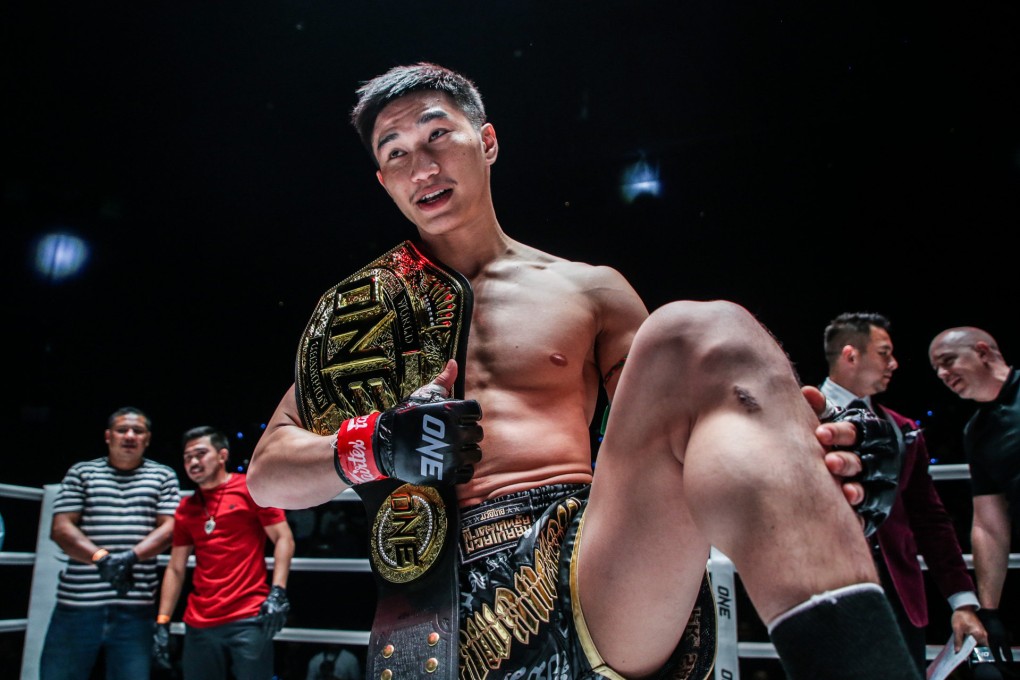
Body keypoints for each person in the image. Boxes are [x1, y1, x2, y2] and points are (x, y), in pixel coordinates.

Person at [247, 62, 921, 679]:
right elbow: (269, 473)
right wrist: (376, 444)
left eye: (437, 136)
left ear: (487, 141)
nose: (421, 166)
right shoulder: (364, 318)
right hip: (441, 605)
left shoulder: (588, 289)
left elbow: (691, 422)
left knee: (705, 333)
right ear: (382, 180)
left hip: (599, 568)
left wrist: (824, 447)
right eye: (395, 153)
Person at [821, 312, 986, 672]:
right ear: (851, 355)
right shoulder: (798, 421)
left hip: (897, 597)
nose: (894, 364)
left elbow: (930, 517)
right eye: (884, 353)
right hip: (823, 596)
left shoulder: (902, 429)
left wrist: (961, 600)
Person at [39, 406, 181, 680]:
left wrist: (129, 557)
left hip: (136, 606)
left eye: (137, 431)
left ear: (147, 438)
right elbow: (61, 528)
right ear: (108, 436)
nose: (129, 436)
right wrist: (101, 558)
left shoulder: (162, 476)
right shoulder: (82, 472)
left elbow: (170, 529)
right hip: (76, 604)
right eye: (122, 430)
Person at [153, 425, 295, 679]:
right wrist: (163, 621)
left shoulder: (250, 488)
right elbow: (175, 568)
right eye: (187, 457)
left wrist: (278, 592)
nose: (193, 462)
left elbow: (283, 538)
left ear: (222, 455)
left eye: (200, 454)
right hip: (199, 621)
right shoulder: (186, 507)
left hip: (249, 615)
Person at [929, 326, 1019, 667]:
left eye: (948, 361)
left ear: (982, 351)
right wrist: (990, 611)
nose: (942, 374)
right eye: (937, 368)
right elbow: (989, 523)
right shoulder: (978, 431)